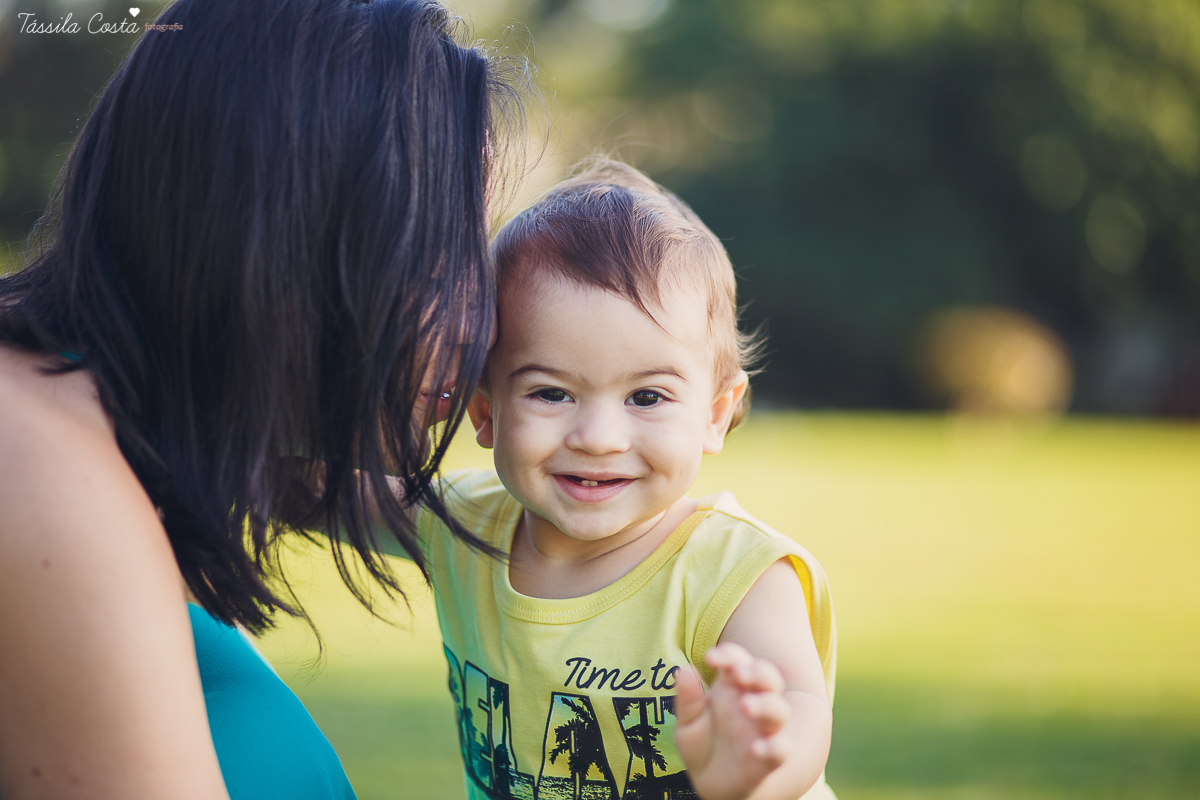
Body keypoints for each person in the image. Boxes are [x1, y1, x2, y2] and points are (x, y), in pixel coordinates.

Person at [0, 0, 524, 797]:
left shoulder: (128, 446)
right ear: (299, 233)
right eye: (438, 256)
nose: (478, 321)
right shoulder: (45, 472)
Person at [412, 159, 838, 800]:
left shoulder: (733, 571)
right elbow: (297, 487)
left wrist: (759, 766)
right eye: (551, 393)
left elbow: (799, 704)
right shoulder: (465, 523)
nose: (599, 437)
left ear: (715, 416)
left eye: (647, 397)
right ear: (484, 411)